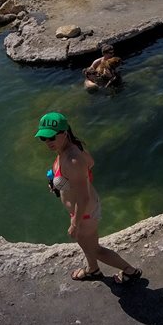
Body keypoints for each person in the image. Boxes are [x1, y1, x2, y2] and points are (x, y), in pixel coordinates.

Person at [35, 112, 142, 284]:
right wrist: (60, 184)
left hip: (84, 213)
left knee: (95, 250)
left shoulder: (72, 160)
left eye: (52, 137)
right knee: (86, 245)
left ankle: (130, 271)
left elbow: (83, 198)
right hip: (82, 212)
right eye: (43, 138)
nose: (48, 142)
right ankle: (93, 270)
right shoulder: (72, 147)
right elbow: (90, 164)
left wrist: (75, 223)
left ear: (64, 133)